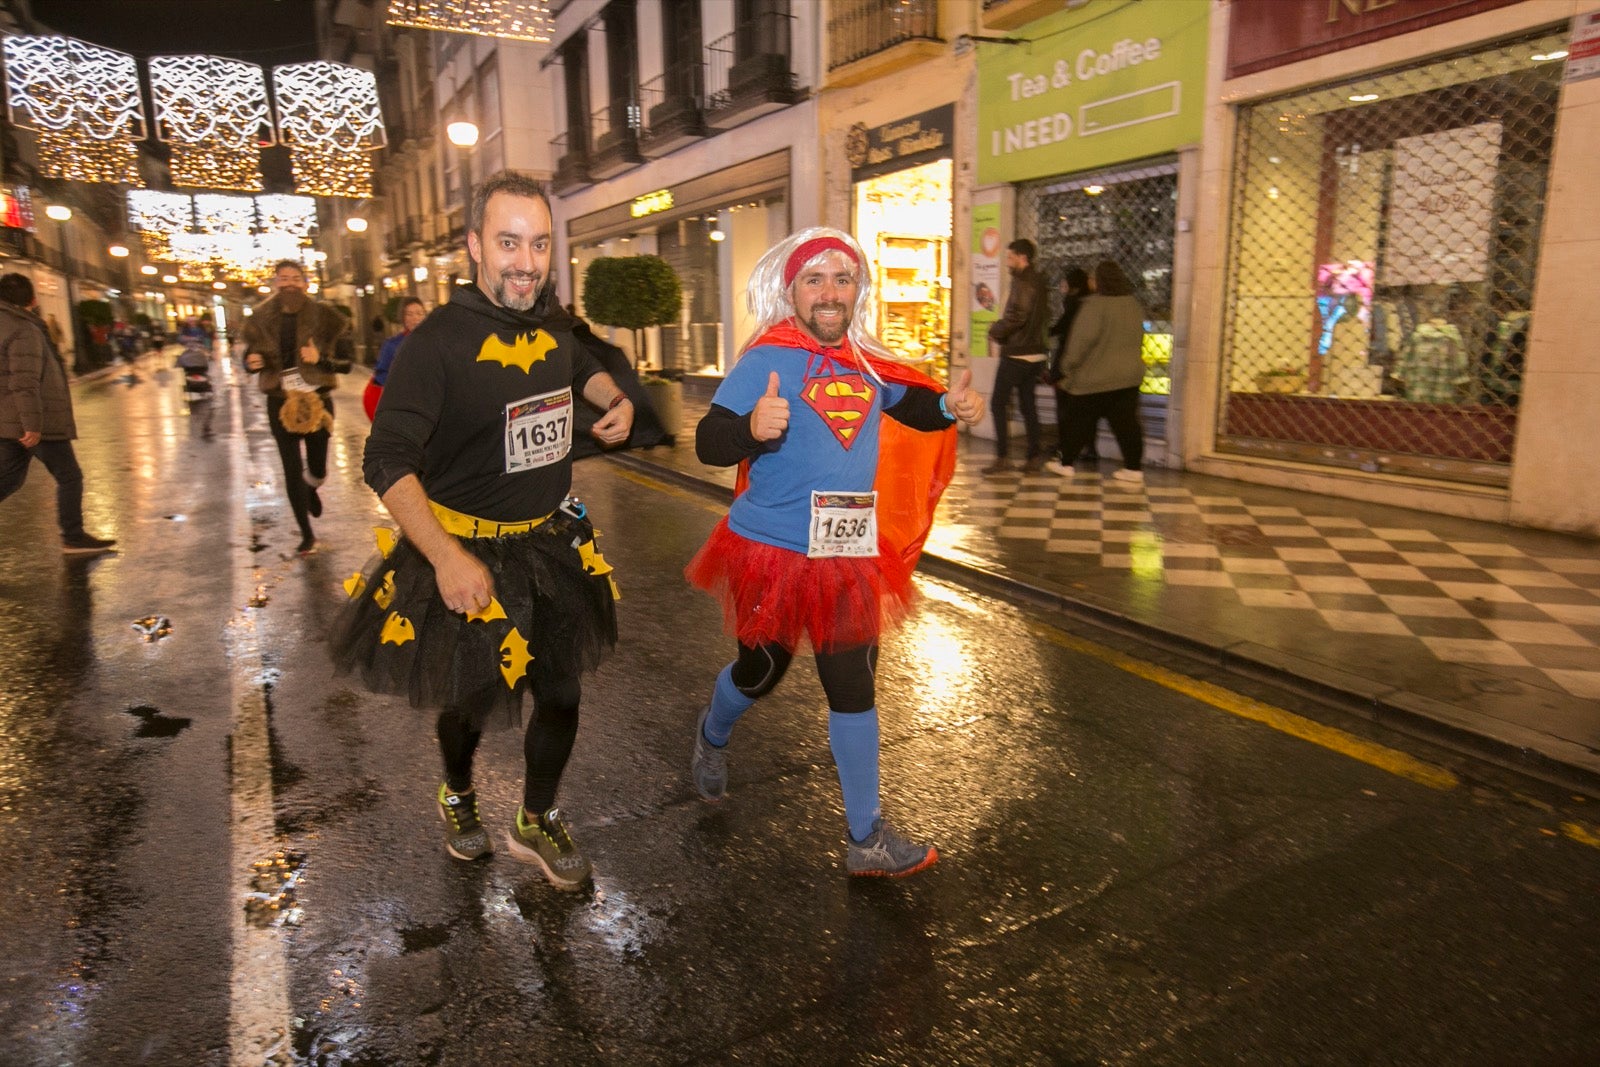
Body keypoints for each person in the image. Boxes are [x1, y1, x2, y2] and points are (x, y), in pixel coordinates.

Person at [329, 170, 638, 891]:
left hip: (551, 541)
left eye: (538, 244)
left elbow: (579, 358)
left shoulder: (549, 313)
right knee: (467, 698)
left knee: (560, 693)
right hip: (466, 550)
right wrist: (444, 557)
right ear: (474, 246)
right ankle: (458, 792)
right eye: (507, 243)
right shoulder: (436, 342)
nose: (525, 261)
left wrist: (612, 395)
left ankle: (534, 816)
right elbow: (386, 457)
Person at [684, 226, 986, 878]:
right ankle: (713, 733)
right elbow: (710, 441)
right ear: (792, 290)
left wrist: (951, 405)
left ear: (857, 290)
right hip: (772, 547)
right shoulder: (767, 357)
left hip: (846, 547)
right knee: (761, 672)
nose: (829, 292)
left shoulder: (868, 362)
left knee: (852, 682)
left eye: (841, 278)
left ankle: (865, 837)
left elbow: (916, 405)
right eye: (814, 279)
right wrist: (750, 430)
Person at [240, 259, 353, 554]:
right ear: (275, 283)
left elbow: (347, 364)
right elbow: (251, 357)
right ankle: (306, 533)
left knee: (317, 465)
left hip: (317, 399)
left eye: (295, 278)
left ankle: (312, 486)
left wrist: (320, 360)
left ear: (305, 283)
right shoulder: (260, 318)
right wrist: (251, 363)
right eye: (283, 278)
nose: (289, 283)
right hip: (279, 400)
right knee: (290, 469)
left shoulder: (327, 317)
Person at [0, 273, 116, 554]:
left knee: (8, 479)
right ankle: (73, 537)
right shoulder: (22, 328)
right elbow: (24, 380)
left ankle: (73, 536)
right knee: (69, 476)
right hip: (34, 420)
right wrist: (32, 424)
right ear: (32, 299)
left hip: (7, 419)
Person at [1051, 259, 1147, 485]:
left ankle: (1065, 463)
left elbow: (1081, 342)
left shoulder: (1095, 305)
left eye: (1094, 277)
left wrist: (1066, 367)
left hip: (1095, 380)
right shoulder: (1133, 304)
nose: (1091, 281)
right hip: (1129, 378)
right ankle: (1133, 468)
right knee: (1127, 425)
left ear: (1101, 281)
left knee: (1076, 421)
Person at [983, 238, 1049, 475]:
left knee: (998, 403)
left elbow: (1018, 316)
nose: (1007, 262)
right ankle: (1033, 456)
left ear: (1022, 258)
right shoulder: (1040, 282)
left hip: (1017, 354)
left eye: (1010, 257)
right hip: (1035, 354)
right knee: (1028, 405)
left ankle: (1002, 457)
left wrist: (995, 331)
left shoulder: (1024, 282)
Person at [1044, 266, 1095, 474]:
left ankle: (1065, 447)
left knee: (1064, 408)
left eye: (1065, 282)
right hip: (1086, 363)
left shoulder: (1074, 303)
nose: (1062, 285)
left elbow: (1062, 328)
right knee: (1086, 409)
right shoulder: (1090, 302)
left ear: (1072, 285)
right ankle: (1090, 447)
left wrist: (1042, 332)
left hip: (1068, 362)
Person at [364, 297, 424, 420]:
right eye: (409, 314)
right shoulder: (392, 345)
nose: (415, 318)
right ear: (403, 318)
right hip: (404, 406)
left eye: (419, 313)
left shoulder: (436, 342)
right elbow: (380, 376)